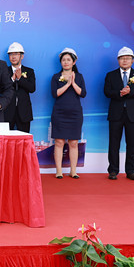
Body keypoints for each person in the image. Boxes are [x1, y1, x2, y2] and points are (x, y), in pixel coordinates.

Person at [104, 46, 134, 180]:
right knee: (114, 143)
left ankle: (131, 171)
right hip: (116, 113)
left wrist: (130, 92)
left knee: (132, 144)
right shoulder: (111, 75)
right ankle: (113, 170)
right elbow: (107, 92)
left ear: (132, 60)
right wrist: (119, 93)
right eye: (122, 58)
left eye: (127, 58)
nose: (125, 61)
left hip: (133, 114)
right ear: (118, 60)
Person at [50, 48, 85, 179]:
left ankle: (73, 171)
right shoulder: (56, 77)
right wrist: (67, 84)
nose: (66, 62)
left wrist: (73, 83)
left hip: (75, 113)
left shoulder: (79, 77)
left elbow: (83, 93)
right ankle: (59, 171)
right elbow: (55, 94)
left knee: (73, 142)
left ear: (74, 62)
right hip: (59, 113)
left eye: (68, 60)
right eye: (63, 60)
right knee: (59, 142)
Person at [4, 42, 36, 133]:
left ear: (22, 56)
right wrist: (12, 79)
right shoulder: (4, 71)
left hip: (24, 112)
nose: (13, 57)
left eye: (16, 54)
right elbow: (1, 89)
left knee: (24, 138)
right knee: (6, 139)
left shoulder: (29, 71)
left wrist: (20, 79)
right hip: (8, 112)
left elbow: (32, 89)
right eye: (11, 54)